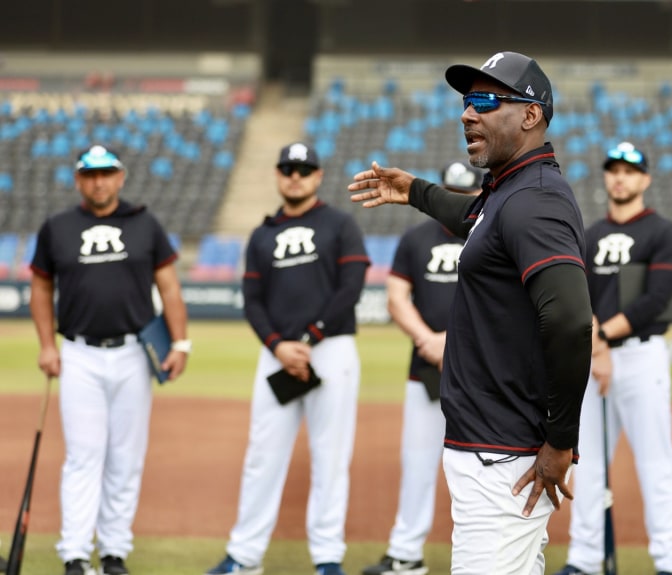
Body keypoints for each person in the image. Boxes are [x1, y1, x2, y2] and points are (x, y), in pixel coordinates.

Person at [348, 51, 593, 575]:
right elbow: (473, 217)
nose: (466, 113)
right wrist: (414, 191)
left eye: (484, 100)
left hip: (504, 454)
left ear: (530, 114)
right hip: (491, 447)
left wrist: (560, 442)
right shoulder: (508, 193)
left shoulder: (537, 200)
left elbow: (571, 321)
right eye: (466, 101)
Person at [205, 143, 369, 575]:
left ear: (317, 176)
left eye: (304, 169)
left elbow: (350, 287)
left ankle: (328, 558)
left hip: (330, 350)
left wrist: (311, 337)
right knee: (263, 455)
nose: (295, 176)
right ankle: (244, 556)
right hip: (277, 354)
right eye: (287, 169)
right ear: (278, 176)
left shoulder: (340, 224)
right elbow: (252, 301)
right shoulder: (262, 234)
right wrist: (279, 345)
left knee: (331, 458)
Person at [29, 145, 190, 575]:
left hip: (135, 354)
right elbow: (41, 288)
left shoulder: (145, 224)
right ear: (78, 180)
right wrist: (47, 345)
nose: (98, 181)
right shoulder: (57, 228)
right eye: (90, 174)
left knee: (126, 457)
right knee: (83, 456)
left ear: (121, 177)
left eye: (106, 173)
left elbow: (170, 288)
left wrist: (181, 344)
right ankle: (76, 554)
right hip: (79, 354)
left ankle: (114, 551)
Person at [552, 142, 672, 575]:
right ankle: (584, 559)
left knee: (656, 463)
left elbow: (658, 299)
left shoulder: (662, 232)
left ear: (645, 179)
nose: (621, 177)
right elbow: (577, 295)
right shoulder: (588, 234)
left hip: (642, 357)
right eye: (614, 170)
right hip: (593, 360)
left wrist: (603, 338)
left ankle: (669, 561)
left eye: (630, 170)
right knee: (585, 462)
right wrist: (599, 346)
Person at [361, 160, 484, 575]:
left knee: (483, 465)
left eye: (467, 194)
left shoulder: (492, 237)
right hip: (425, 369)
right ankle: (406, 553)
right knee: (416, 461)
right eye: (452, 191)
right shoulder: (416, 238)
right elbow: (397, 298)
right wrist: (427, 340)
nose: (458, 200)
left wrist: (453, 341)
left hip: (482, 373)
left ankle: (485, 558)